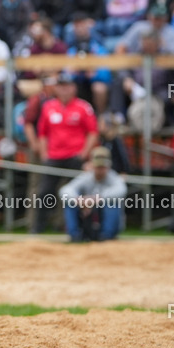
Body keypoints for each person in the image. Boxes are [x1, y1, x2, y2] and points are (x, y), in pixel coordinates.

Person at [33, 71, 98, 233]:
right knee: (44, 193)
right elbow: (42, 133)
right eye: (61, 86)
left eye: (67, 86)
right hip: (53, 157)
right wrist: (44, 154)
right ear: (56, 88)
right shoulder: (48, 107)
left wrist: (84, 153)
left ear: (73, 88)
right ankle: (38, 228)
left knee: (77, 195)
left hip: (75, 156)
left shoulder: (83, 107)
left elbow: (93, 132)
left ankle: (74, 228)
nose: (64, 90)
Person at [59, 147, 127, 242]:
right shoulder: (86, 177)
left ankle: (106, 236)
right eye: (97, 166)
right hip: (88, 218)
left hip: (104, 216)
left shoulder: (114, 178)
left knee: (113, 203)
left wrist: (96, 199)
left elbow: (121, 190)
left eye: (102, 166)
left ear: (108, 166)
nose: (100, 169)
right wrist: (78, 200)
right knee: (70, 202)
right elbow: (65, 190)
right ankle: (75, 236)